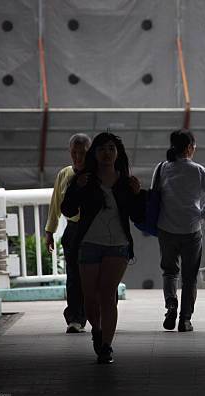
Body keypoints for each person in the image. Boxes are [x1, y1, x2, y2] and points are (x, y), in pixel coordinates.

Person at [61, 132, 146, 364]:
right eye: (101, 149)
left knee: (108, 294)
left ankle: (107, 345)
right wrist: (76, 188)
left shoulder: (125, 182)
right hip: (88, 243)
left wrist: (137, 195)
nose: (106, 153)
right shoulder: (84, 180)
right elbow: (67, 210)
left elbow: (138, 215)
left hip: (118, 245)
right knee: (90, 297)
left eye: (111, 148)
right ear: (94, 154)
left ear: (117, 153)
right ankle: (96, 330)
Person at [155, 129, 205, 332]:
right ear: (190, 148)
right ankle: (185, 319)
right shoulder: (198, 170)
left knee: (169, 272)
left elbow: (155, 196)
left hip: (166, 228)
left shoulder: (162, 167)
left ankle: (171, 304)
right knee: (190, 277)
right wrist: (203, 214)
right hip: (191, 229)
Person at [45, 133, 91, 334]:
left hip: (94, 230)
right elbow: (55, 204)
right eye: (74, 152)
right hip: (72, 231)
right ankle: (75, 318)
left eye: (83, 153)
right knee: (73, 277)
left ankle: (102, 314)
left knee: (98, 278)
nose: (78, 157)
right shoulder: (64, 174)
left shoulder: (98, 174)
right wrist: (49, 231)